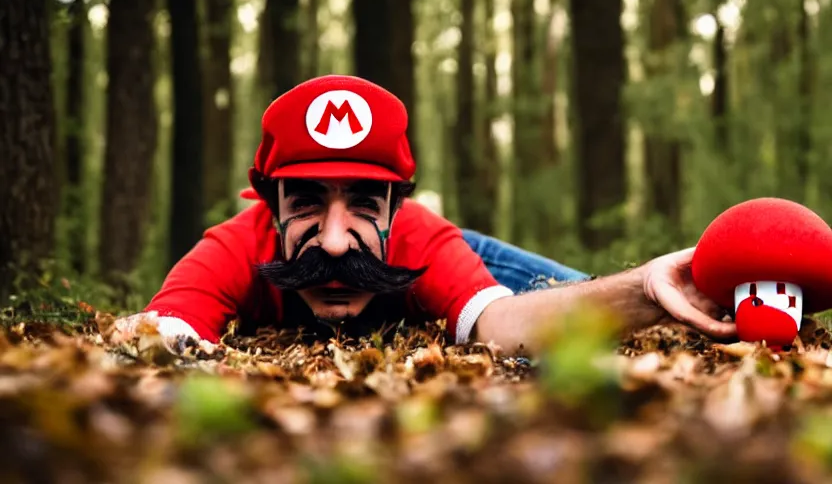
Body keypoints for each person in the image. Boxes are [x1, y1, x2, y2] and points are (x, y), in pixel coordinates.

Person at [113, 75, 736, 354]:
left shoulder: (419, 237)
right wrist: (164, 338)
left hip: (446, 258)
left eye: (362, 204)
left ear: (396, 207)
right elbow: (158, 327)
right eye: (305, 203)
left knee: (594, 297)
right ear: (269, 204)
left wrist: (644, 289)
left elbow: (500, 323)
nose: (334, 245)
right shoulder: (233, 246)